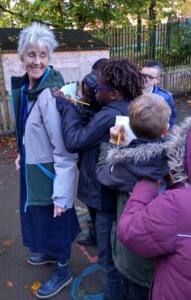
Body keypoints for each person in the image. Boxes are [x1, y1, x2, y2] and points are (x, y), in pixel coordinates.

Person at [56, 59, 145, 300]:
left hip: (103, 195)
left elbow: (75, 140)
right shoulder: (130, 106)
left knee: (107, 259)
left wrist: (65, 107)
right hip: (118, 192)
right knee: (118, 250)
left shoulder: (109, 116)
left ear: (114, 94)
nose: (95, 91)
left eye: (100, 89)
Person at [10, 22, 80, 299]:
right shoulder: (26, 87)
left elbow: (64, 151)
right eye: (31, 54)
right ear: (22, 56)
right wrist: (20, 152)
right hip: (32, 164)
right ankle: (51, 253)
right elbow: (27, 128)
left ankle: (63, 269)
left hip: (49, 170)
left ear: (49, 57)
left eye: (43, 55)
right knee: (38, 214)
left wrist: (63, 195)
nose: (37, 61)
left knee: (55, 216)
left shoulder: (50, 94)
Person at [96, 94, 171, 300]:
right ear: (166, 129)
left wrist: (112, 145)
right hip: (165, 254)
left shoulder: (122, 165)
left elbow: (103, 172)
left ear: (131, 125)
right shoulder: (175, 162)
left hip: (132, 257)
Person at [117, 116, 191, 300]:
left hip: (139, 270)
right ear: (166, 129)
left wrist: (146, 184)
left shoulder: (177, 203)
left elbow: (129, 231)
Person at [75, 72, 100, 247]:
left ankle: (98, 236)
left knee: (96, 201)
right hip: (87, 162)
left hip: (95, 165)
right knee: (93, 202)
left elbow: (76, 140)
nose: (84, 97)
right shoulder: (87, 107)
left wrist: (77, 112)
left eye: (88, 95)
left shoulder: (101, 114)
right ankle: (96, 232)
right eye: (83, 94)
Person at [141, 60, 177, 127]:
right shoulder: (130, 92)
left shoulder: (165, 97)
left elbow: (172, 116)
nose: (144, 79)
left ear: (158, 80)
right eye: (142, 75)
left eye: (150, 77)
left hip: (153, 135)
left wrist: (164, 130)